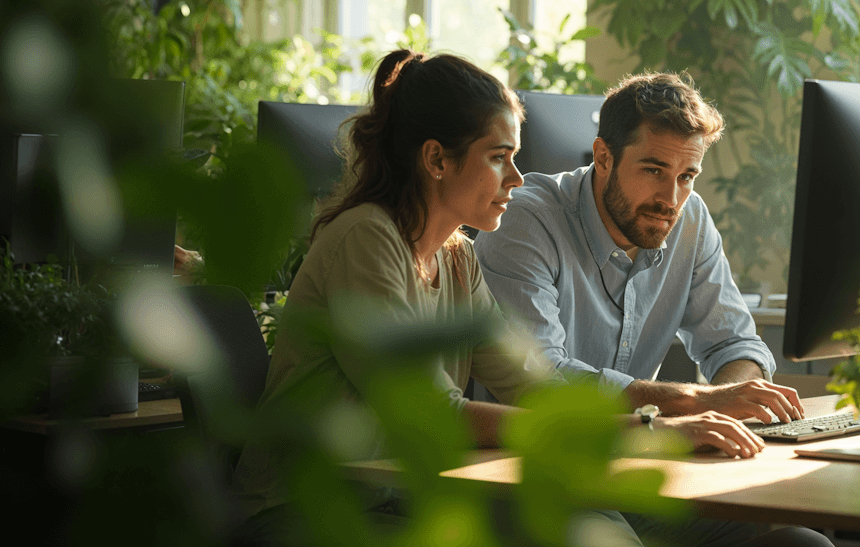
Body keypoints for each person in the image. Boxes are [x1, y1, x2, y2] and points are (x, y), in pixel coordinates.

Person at [230, 51, 824, 547]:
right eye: (499, 158)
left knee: (789, 536)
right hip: (312, 511)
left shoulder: (456, 257)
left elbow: (536, 385)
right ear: (437, 159)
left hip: (405, 498)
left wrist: (670, 419)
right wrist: (657, 429)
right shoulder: (367, 238)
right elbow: (434, 413)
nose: (516, 179)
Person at [473, 72, 807, 425]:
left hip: (636, 447)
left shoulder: (689, 218)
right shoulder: (525, 222)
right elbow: (540, 380)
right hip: (523, 461)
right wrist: (692, 400)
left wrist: (727, 406)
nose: (671, 199)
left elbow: (735, 345)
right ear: (603, 158)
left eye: (687, 177)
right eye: (654, 170)